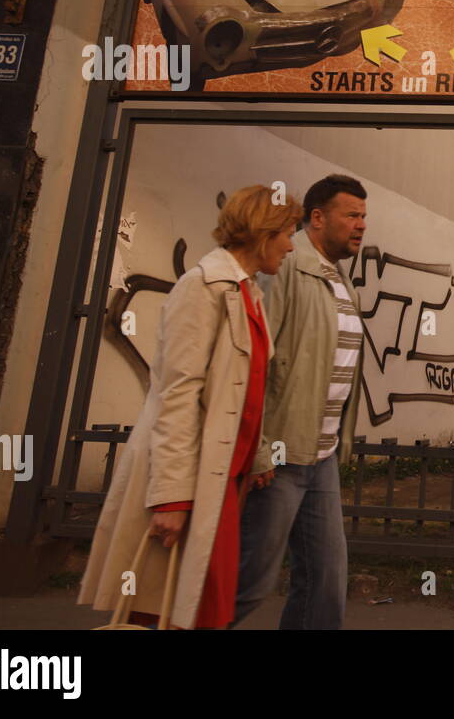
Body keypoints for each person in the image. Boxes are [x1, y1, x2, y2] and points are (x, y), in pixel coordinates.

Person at [79, 185, 302, 628]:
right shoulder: (202, 288)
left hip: (221, 483)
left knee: (196, 609)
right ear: (263, 231)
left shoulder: (247, 292)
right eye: (287, 233)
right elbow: (177, 395)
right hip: (190, 480)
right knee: (157, 610)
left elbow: (246, 392)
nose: (291, 245)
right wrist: (172, 498)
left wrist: (256, 456)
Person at [234, 173, 367, 629]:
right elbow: (256, 360)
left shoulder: (339, 279)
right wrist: (260, 446)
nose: (361, 225)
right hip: (280, 454)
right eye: (351, 214)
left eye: (364, 216)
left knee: (326, 579)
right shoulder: (287, 267)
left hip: (320, 454)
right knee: (248, 581)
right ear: (317, 217)